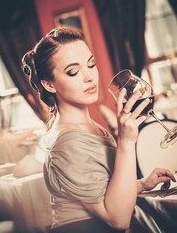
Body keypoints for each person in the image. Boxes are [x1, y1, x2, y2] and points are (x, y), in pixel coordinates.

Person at [21, 26, 176, 233]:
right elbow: (118, 219)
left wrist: (141, 184)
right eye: (73, 72)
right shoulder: (68, 143)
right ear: (49, 84)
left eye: (91, 64)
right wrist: (126, 141)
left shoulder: (89, 127)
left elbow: (102, 192)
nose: (89, 77)